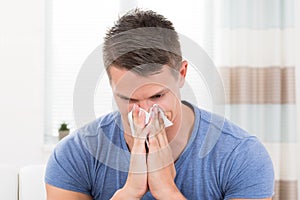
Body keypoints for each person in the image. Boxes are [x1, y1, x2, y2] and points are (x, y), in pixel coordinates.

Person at [45, 9, 274, 200]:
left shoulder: (242, 155)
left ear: (181, 74)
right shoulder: (74, 155)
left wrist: (167, 190)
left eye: (157, 96)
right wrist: (131, 190)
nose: (145, 113)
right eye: (129, 99)